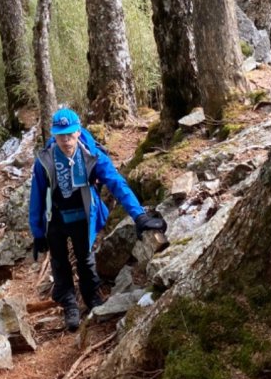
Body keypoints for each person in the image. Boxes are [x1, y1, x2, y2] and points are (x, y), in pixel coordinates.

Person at [28, 108, 167, 332]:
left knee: (85, 259)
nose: (66, 140)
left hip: (83, 216)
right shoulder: (45, 161)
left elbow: (116, 183)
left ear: (78, 131)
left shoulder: (91, 154)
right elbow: (36, 197)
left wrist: (139, 215)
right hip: (55, 219)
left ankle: (92, 298)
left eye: (70, 134)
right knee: (59, 262)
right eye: (60, 135)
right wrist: (37, 232)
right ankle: (69, 305)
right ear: (54, 135)